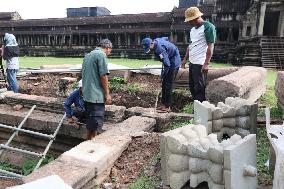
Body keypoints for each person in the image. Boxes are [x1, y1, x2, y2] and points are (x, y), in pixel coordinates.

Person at [181, 7, 216, 102]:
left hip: (200, 63)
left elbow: (210, 47)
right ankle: (196, 105)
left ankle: (200, 107)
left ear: (196, 18)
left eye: (190, 21)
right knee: (192, 86)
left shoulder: (208, 27)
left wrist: (206, 63)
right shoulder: (193, 30)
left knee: (199, 87)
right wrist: (185, 59)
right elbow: (190, 46)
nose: (189, 23)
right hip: (192, 62)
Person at [82, 39, 112, 140]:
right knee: (95, 126)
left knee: (90, 126)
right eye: (110, 51)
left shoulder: (88, 55)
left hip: (87, 94)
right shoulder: (101, 55)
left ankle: (86, 146)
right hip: (96, 96)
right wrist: (107, 94)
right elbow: (103, 75)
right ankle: (91, 148)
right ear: (107, 48)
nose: (109, 53)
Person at [141, 37, 181, 113]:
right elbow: (165, 38)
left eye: (149, 48)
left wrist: (162, 76)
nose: (150, 51)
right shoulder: (157, 40)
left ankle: (167, 106)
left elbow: (167, 65)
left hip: (174, 62)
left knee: (168, 85)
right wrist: (168, 49)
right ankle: (164, 104)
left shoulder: (160, 50)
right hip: (169, 59)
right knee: (164, 84)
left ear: (152, 43)